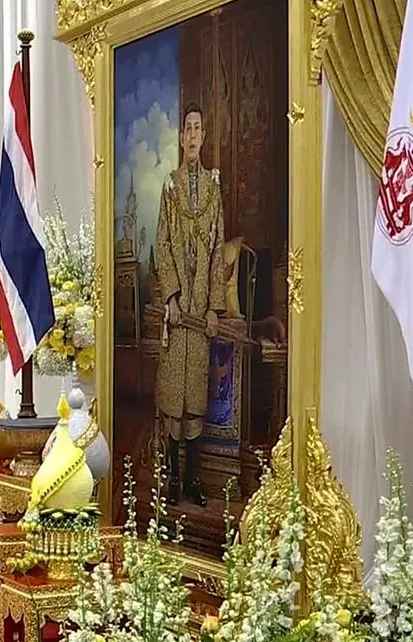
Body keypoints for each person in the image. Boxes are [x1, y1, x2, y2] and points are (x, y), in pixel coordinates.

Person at [154, 102, 225, 507]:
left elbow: (217, 247)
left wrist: (213, 305)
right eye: (188, 129)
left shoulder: (214, 189)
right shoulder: (170, 187)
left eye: (199, 128)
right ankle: (174, 480)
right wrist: (173, 296)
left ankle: (194, 478)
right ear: (182, 139)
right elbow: (162, 244)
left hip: (201, 311)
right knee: (174, 395)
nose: (194, 135)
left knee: (195, 394)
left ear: (204, 136)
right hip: (178, 312)